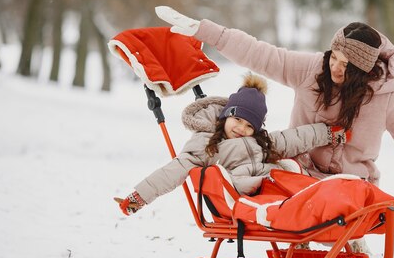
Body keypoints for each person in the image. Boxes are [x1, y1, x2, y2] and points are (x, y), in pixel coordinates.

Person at [152, 6, 394, 213]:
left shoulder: (385, 99)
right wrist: (206, 31)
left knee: (340, 197)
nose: (335, 67)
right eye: (334, 56)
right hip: (296, 174)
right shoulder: (311, 69)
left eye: (345, 64)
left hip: (349, 184)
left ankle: (338, 233)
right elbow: (260, 53)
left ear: (363, 71)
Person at [116, 73, 349, 215]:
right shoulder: (204, 144)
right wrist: (139, 197)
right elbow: (172, 171)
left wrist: (328, 133)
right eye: (237, 120)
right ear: (226, 115)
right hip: (240, 196)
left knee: (299, 178)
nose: (242, 129)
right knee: (292, 193)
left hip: (273, 186)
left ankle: (332, 206)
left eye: (250, 126)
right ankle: (309, 211)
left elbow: (295, 138)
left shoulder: (260, 141)